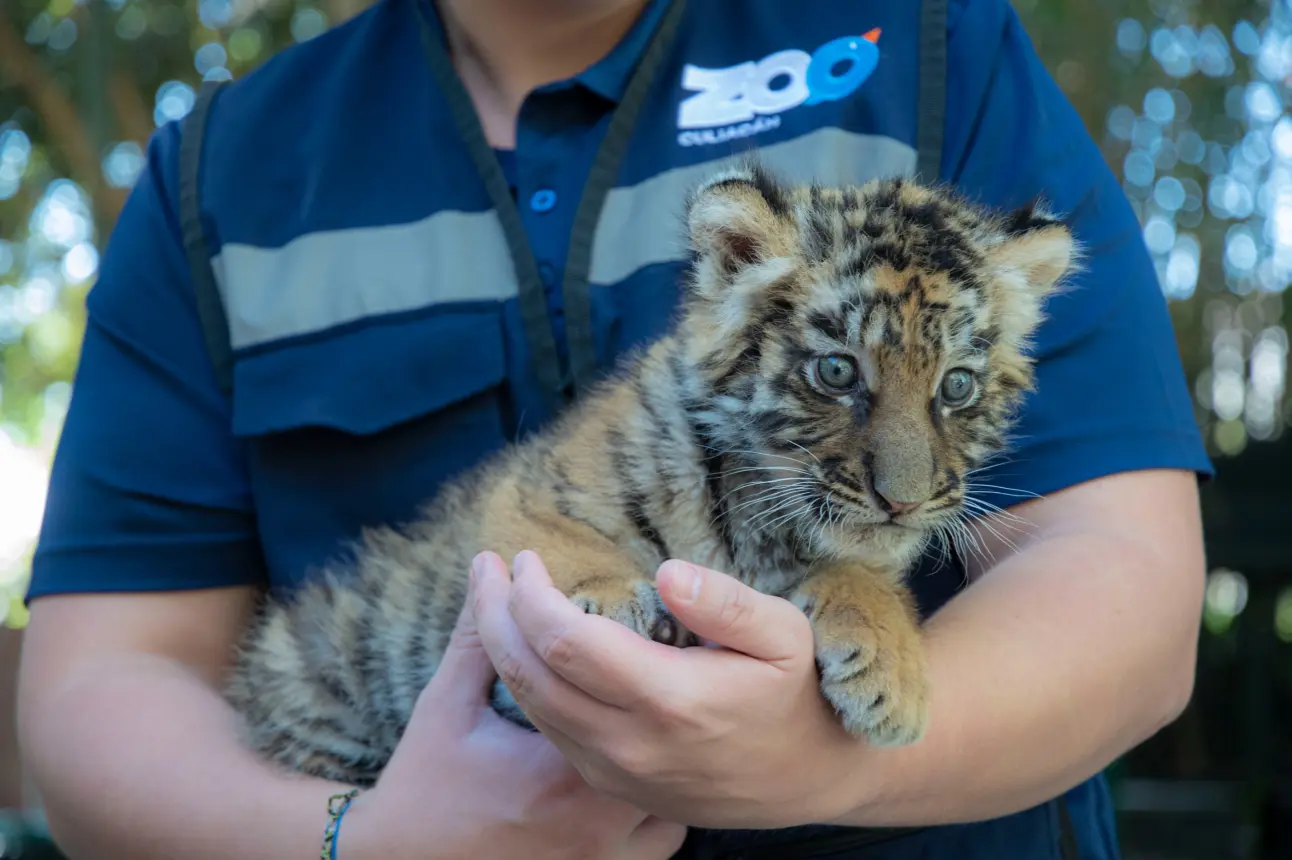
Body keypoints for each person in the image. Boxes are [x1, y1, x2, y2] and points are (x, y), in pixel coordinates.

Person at [17, 0, 1211, 857]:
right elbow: (106, 681)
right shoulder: (219, 174)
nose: (903, 471)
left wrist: (819, 759)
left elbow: (1125, 581)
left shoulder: (933, 44)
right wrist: (356, 844)